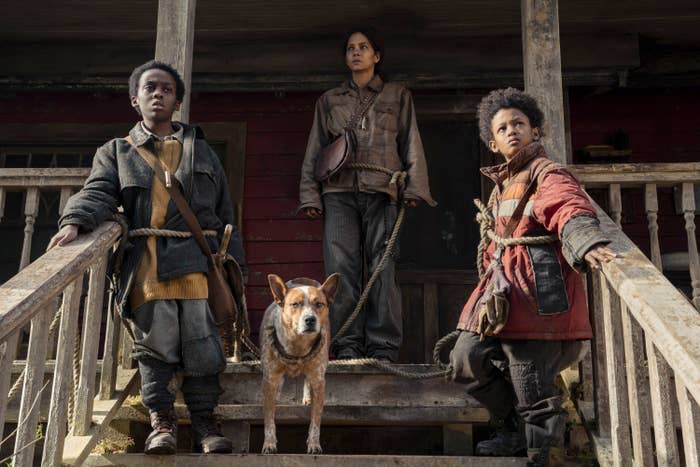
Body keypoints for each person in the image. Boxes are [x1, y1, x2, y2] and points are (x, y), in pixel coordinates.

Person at [48, 60, 247, 455]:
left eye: (167, 89)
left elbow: (226, 216)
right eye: (150, 88)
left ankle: (206, 425)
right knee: (156, 346)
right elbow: (98, 192)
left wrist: (234, 271)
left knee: (203, 344)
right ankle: (162, 424)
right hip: (148, 263)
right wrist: (75, 221)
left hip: (197, 262)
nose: (158, 94)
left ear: (177, 102)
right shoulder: (117, 152)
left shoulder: (203, 152)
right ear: (134, 100)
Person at [448, 88, 617, 466]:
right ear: (493, 143)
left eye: (519, 124)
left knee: (530, 383)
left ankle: (541, 453)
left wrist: (585, 241)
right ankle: (510, 427)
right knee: (464, 359)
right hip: (501, 291)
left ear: (535, 132)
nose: (512, 131)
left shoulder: (548, 173)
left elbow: (567, 206)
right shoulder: (502, 185)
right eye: (503, 127)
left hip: (537, 293)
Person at [299, 27, 436, 362]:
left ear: (377, 56)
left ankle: (383, 347)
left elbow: (411, 143)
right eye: (350, 48)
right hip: (337, 193)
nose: (356, 53)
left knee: (382, 269)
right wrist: (310, 196)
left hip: (382, 191)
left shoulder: (397, 95)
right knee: (340, 270)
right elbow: (315, 149)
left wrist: (415, 187)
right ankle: (346, 344)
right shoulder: (329, 101)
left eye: (363, 47)